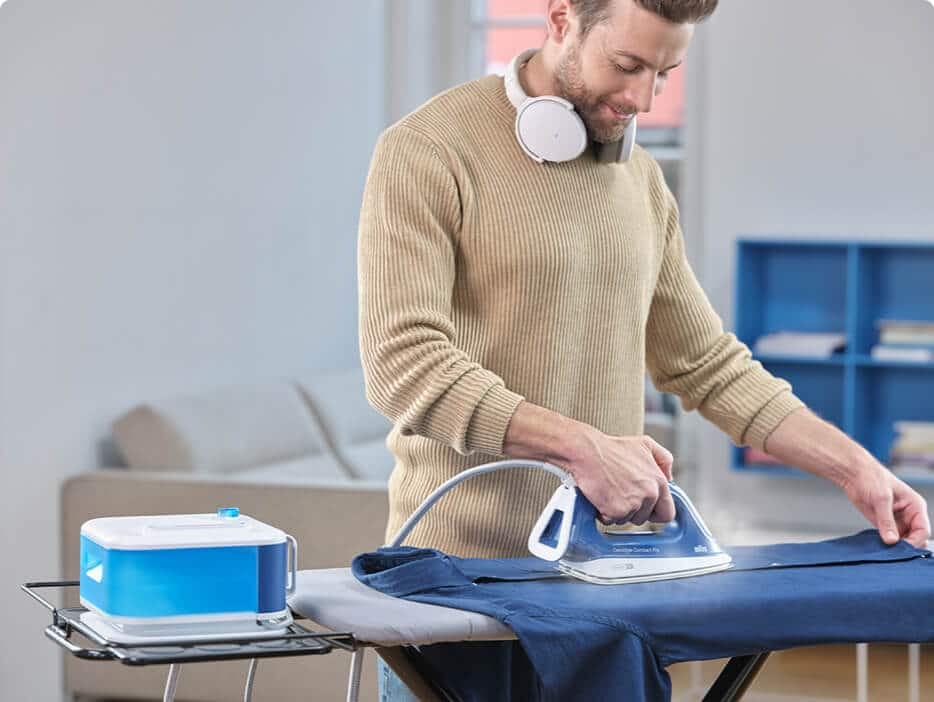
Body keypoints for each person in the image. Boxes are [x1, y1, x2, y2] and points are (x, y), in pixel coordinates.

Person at [357, 0, 931, 695]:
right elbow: (404, 365)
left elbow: (708, 365)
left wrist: (856, 471)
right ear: (562, 18)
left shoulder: (642, 181)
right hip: (453, 594)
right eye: (627, 65)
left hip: (604, 596)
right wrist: (581, 448)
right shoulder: (428, 150)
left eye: (665, 73)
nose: (643, 99)